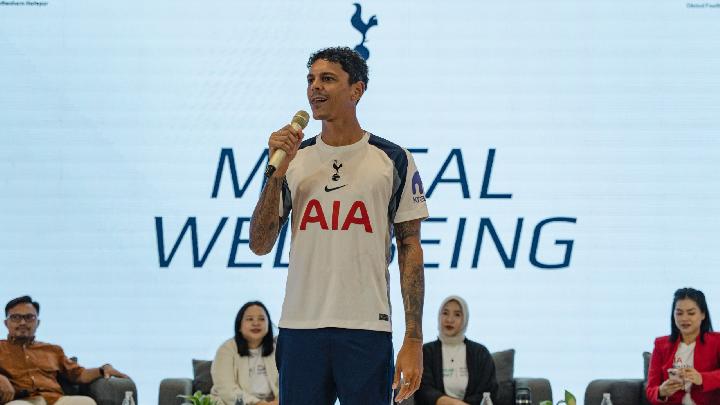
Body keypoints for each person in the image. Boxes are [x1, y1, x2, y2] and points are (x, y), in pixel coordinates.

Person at [249, 46, 429, 405]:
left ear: (356, 90)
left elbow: (410, 248)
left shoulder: (393, 159)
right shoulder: (294, 159)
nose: (315, 87)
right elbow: (260, 243)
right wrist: (275, 176)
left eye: (327, 79)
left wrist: (413, 338)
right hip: (300, 327)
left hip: (367, 327)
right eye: (310, 79)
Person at [0, 296, 128, 405]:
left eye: (29, 317)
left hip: (55, 400)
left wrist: (103, 369)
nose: (23, 322)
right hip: (21, 400)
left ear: (37, 323)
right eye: (16, 317)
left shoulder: (53, 350)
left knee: (85, 402)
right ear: (6, 323)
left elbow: (79, 374)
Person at [416, 296, 498, 405]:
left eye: (457, 314)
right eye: (445, 313)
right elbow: (423, 390)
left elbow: (489, 391)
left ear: (465, 320)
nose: (449, 320)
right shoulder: (426, 351)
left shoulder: (480, 352)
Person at [646, 288, 720, 405]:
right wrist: (661, 392)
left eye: (691, 313)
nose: (684, 318)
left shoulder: (717, 341)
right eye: (679, 313)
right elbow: (651, 389)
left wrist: (702, 378)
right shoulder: (660, 344)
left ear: (703, 314)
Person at [210, 301, 279, 405]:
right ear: (239, 325)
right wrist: (258, 403)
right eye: (250, 319)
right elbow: (226, 389)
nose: (256, 323)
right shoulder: (226, 349)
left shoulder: (277, 349)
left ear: (268, 324)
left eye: (261, 319)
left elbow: (287, 383)